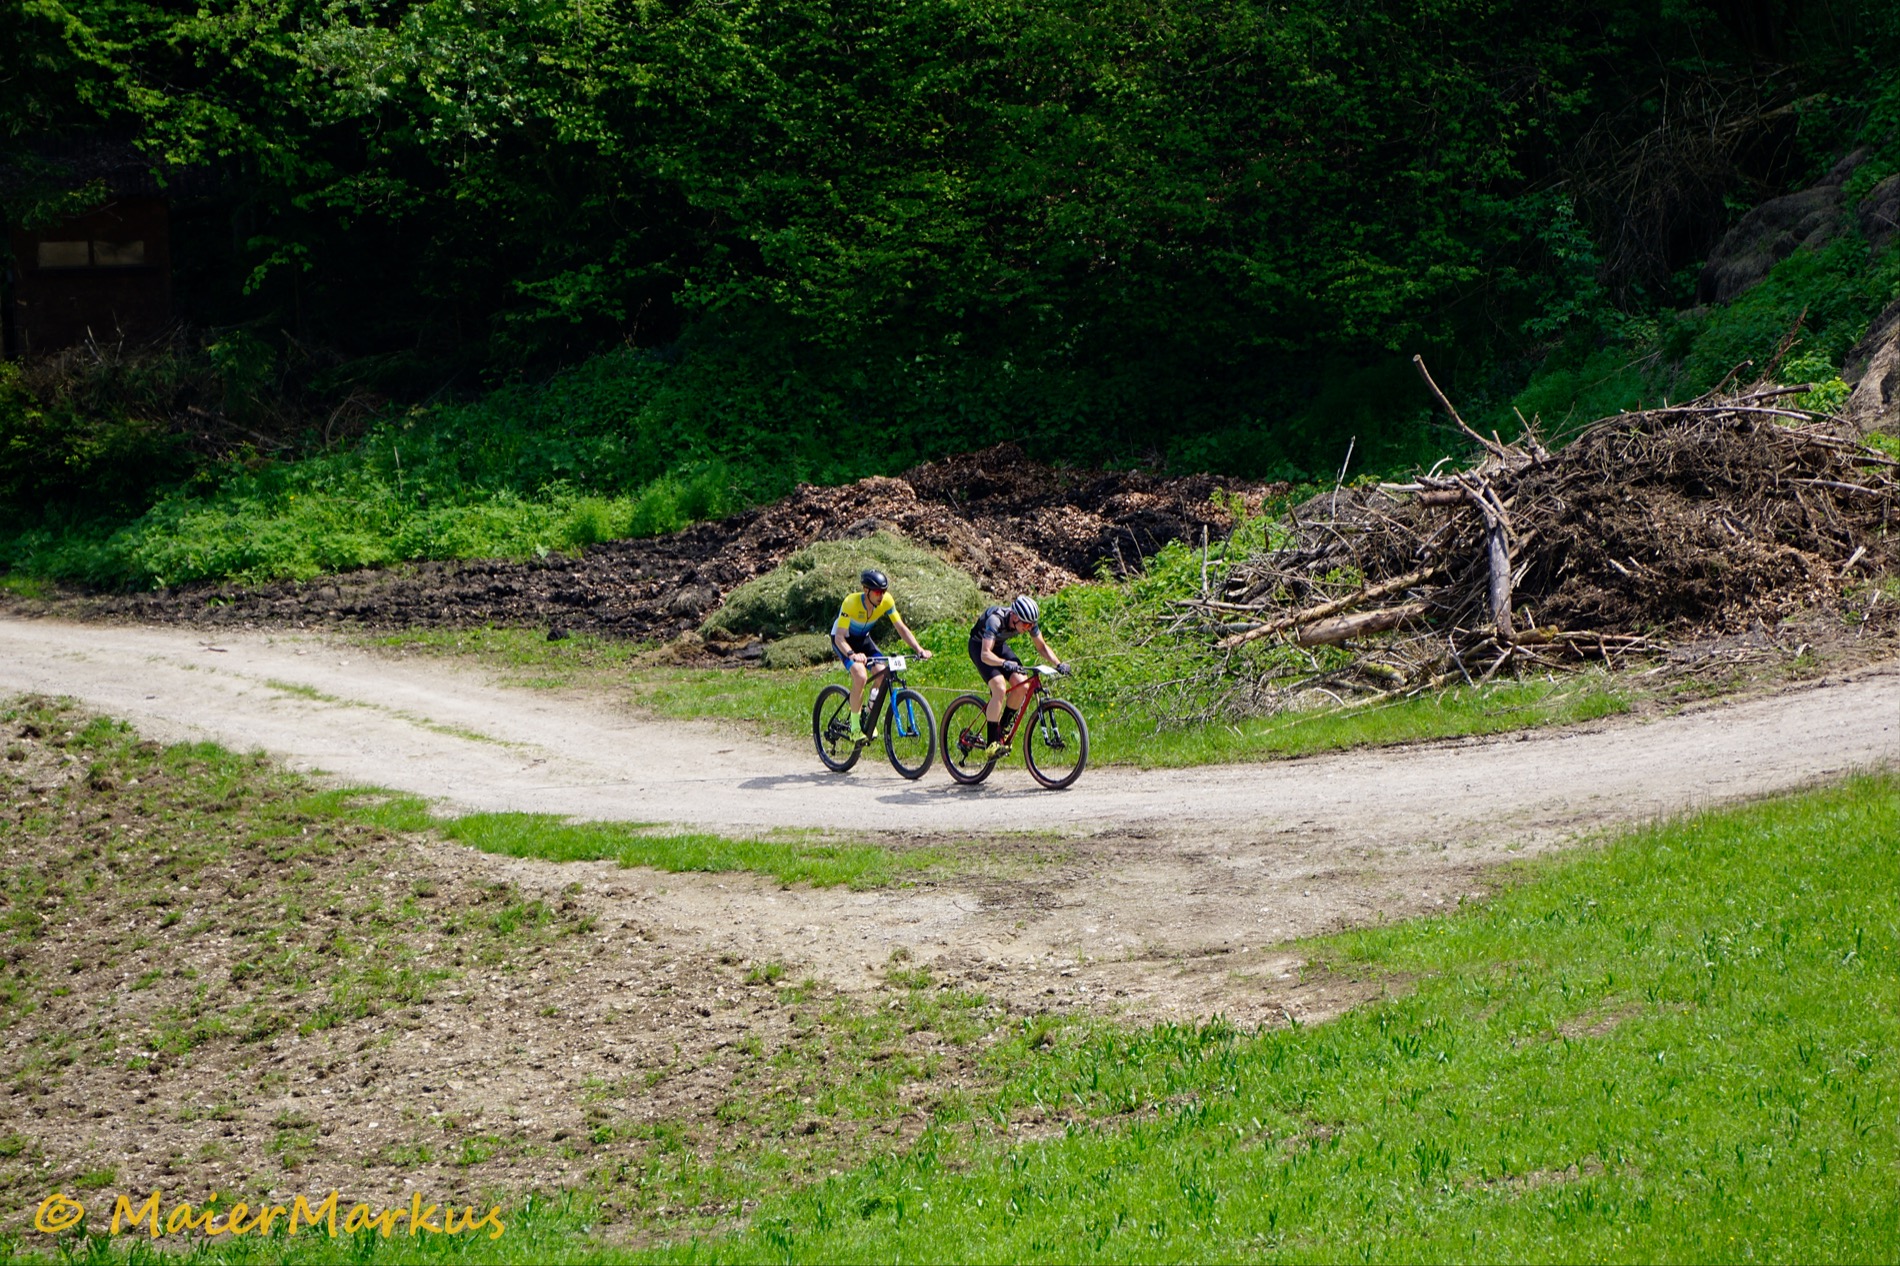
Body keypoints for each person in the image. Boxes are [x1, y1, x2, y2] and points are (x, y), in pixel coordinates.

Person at [832, 567, 934, 744]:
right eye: (878, 592)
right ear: (866, 590)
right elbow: (839, 637)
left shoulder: (886, 601)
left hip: (863, 639)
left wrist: (919, 649)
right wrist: (852, 654)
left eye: (884, 591)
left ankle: (867, 716)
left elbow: (900, 627)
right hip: (844, 641)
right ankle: (855, 728)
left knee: (882, 673)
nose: (882, 596)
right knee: (860, 675)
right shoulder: (851, 602)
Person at [968, 595, 1068, 757]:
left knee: (1022, 684)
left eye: (1032, 625)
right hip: (980, 647)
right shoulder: (995, 620)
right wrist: (1003, 663)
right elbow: (985, 655)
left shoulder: (1027, 621)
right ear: (1014, 617)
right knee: (999, 687)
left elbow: (1041, 647)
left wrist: (1058, 663)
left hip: (998, 646)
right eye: (1026, 624)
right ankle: (992, 743)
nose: (1029, 628)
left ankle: (1002, 729)